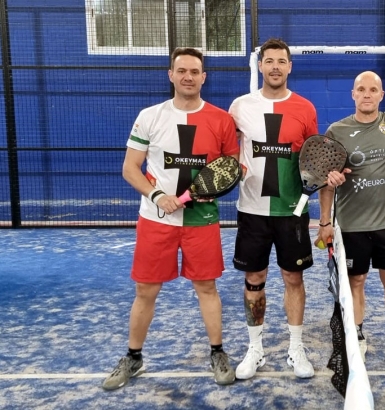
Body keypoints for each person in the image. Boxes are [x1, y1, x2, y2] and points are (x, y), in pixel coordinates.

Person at [102, 47, 239, 389]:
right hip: (156, 220)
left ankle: (217, 352)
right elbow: (130, 168)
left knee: (207, 287)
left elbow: (231, 168)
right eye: (182, 71)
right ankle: (133, 358)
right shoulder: (150, 116)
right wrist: (156, 195)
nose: (188, 77)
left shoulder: (221, 120)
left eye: (195, 71)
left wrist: (213, 190)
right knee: (146, 290)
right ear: (171, 75)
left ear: (203, 77)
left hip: (201, 219)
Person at [228, 38, 317, 380]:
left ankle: (296, 348)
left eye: (282, 61)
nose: (276, 66)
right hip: (252, 209)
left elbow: (312, 157)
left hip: (292, 210)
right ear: (261, 66)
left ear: (290, 66)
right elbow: (224, 145)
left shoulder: (305, 108)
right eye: (270, 61)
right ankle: (256, 348)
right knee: (255, 278)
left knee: (293, 277)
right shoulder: (240, 106)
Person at [316, 71, 385, 371]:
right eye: (362, 89)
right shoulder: (337, 130)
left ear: (381, 95)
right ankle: (356, 334)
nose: (368, 94)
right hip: (351, 224)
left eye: (374, 89)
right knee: (356, 281)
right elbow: (325, 179)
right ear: (353, 94)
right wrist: (324, 219)